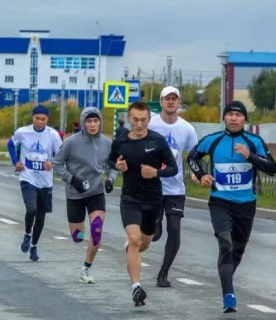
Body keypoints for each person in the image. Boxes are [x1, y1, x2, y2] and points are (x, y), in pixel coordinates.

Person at [187, 100, 276, 313]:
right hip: (220, 202)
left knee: (237, 250)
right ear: (224, 118)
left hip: (246, 206)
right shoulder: (213, 140)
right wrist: (202, 175)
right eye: (230, 115)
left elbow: (272, 168)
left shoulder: (254, 141)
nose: (234, 119)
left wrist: (250, 156)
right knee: (225, 245)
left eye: (238, 115)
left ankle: (226, 281)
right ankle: (229, 295)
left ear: (245, 119)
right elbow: (191, 157)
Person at [107, 101, 178, 307]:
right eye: (135, 120)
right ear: (129, 119)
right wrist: (117, 165)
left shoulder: (158, 141)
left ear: (149, 119)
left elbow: (173, 168)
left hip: (153, 200)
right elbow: (111, 161)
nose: (139, 124)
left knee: (144, 243)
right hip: (130, 199)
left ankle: (132, 252)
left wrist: (156, 172)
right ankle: (136, 287)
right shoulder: (120, 141)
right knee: (134, 240)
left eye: (143, 120)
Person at [52, 107, 117, 284]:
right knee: (77, 237)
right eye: (89, 121)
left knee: (97, 229)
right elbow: (56, 163)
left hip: (96, 192)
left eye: (96, 121)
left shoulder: (107, 142)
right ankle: (81, 235)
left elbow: (113, 165)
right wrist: (72, 180)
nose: (93, 125)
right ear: (83, 123)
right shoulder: (71, 142)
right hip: (75, 193)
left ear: (100, 122)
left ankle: (86, 268)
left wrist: (110, 179)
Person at [147, 86, 199, 288]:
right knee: (155, 234)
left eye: (174, 99)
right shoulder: (151, 124)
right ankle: (153, 226)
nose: (170, 102)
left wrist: (197, 173)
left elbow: (194, 156)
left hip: (176, 189)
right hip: (153, 187)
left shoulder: (186, 129)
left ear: (178, 103)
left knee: (175, 230)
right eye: (167, 98)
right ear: (160, 102)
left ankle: (163, 273)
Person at [7, 105, 62, 261]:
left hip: (45, 181)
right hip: (27, 177)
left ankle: (34, 245)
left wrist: (52, 163)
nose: (39, 121)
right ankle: (27, 234)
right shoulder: (23, 132)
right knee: (31, 208)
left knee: (41, 215)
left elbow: (61, 155)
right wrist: (15, 161)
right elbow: (11, 144)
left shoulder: (53, 135)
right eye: (37, 118)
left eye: (43, 119)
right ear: (32, 118)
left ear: (47, 119)